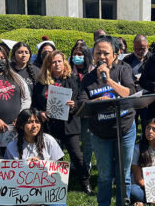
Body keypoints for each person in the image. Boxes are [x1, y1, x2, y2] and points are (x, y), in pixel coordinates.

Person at [79, 35, 136, 206]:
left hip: (124, 130)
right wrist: (96, 102)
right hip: (100, 134)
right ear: (93, 55)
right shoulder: (88, 78)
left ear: (115, 54)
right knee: (104, 176)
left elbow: (130, 93)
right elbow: (82, 104)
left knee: (123, 174)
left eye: (106, 53)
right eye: (98, 53)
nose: (102, 57)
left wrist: (109, 80)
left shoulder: (123, 70)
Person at [32, 50, 92, 194]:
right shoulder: (41, 83)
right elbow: (34, 104)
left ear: (64, 62)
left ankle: (85, 183)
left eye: (59, 61)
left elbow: (80, 99)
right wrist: (40, 113)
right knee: (51, 156)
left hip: (69, 124)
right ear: (48, 65)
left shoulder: (73, 79)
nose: (57, 64)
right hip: (49, 125)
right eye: (54, 62)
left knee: (76, 155)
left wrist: (74, 105)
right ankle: (54, 183)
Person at [69, 41, 95, 195]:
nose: (77, 57)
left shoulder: (92, 71)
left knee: (87, 140)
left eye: (80, 54)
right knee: (73, 142)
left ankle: (86, 165)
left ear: (86, 56)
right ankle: (74, 166)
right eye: (75, 54)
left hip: (87, 112)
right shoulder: (68, 70)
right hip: (71, 113)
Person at [123, 34, 151, 127]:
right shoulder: (127, 60)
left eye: (142, 48)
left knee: (147, 123)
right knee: (131, 124)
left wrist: (144, 79)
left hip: (148, 97)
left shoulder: (153, 59)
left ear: (148, 46)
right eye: (136, 49)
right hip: (132, 97)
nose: (139, 51)